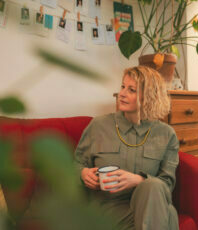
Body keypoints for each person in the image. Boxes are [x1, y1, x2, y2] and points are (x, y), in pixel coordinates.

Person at [75, 66, 179, 230]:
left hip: (150, 203)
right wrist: (83, 173)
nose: (122, 94)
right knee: (168, 216)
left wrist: (139, 180)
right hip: (109, 207)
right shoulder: (99, 126)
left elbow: (167, 185)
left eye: (132, 90)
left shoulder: (166, 134)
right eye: (123, 86)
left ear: (149, 97)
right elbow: (75, 163)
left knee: (153, 186)